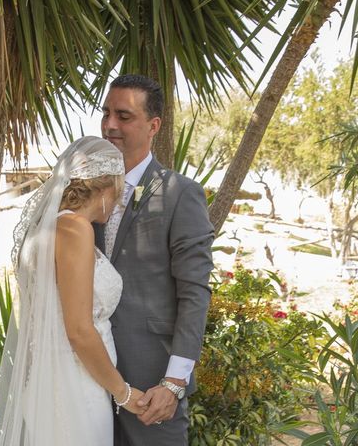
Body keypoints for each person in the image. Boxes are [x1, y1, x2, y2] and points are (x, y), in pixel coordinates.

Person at [0, 136, 146, 446]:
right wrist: (123, 392)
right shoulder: (75, 230)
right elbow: (79, 330)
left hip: (52, 379)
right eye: (119, 189)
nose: (119, 202)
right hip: (75, 384)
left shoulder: (45, 229)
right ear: (103, 188)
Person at [97, 74, 215, 445]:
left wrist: (174, 382)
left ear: (154, 126)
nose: (110, 125)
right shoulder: (86, 192)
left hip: (152, 388)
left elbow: (194, 294)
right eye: (106, 113)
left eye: (124, 116)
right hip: (90, 379)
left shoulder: (180, 194)